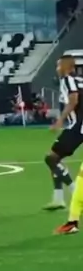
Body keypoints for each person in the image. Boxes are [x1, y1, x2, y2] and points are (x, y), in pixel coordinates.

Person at [43, 56, 80, 212]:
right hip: (77, 126)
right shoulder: (77, 80)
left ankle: (76, 193)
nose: (57, 68)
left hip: (77, 127)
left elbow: (73, 100)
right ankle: (58, 199)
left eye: (59, 65)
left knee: (51, 158)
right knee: (55, 160)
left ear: (66, 67)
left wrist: (60, 120)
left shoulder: (68, 80)